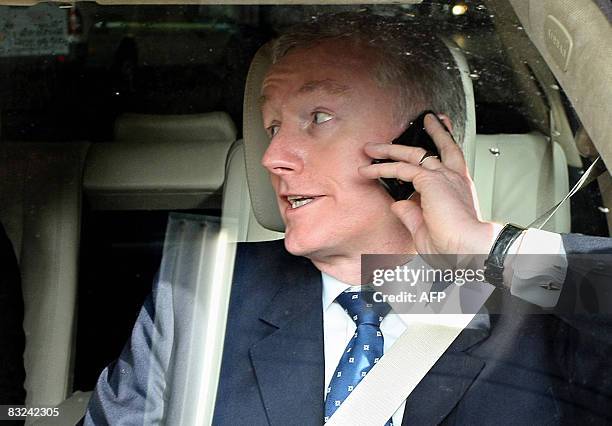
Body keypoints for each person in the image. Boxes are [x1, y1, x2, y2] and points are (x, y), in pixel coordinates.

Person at [85, 13, 612, 425]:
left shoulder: (532, 301)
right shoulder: (208, 295)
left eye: (319, 118)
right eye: (272, 128)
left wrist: (486, 250)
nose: (274, 157)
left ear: (423, 141)